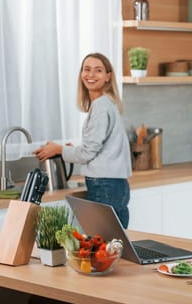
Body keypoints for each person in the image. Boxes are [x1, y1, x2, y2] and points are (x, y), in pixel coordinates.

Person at [34, 52, 132, 228]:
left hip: (105, 184)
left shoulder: (101, 106)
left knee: (106, 243)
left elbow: (87, 153)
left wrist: (58, 150)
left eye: (98, 70)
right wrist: (66, 149)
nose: (91, 75)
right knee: (115, 245)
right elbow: (97, 148)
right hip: (114, 184)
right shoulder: (106, 103)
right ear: (81, 74)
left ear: (108, 76)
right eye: (87, 69)